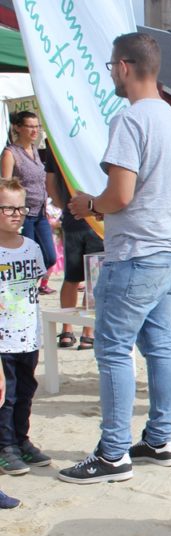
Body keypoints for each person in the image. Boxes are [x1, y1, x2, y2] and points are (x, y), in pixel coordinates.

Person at [61, 32, 171, 484]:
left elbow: (119, 195)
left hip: (136, 252)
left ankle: (113, 452)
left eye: (110, 68)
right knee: (159, 346)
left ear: (122, 66)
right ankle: (159, 439)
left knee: (114, 349)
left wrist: (88, 205)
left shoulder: (130, 120)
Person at [0, 177, 49, 481]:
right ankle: (5, 447)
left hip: (28, 336)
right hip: (3, 339)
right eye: (8, 208)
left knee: (27, 391)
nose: (16, 214)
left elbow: (35, 288)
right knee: (7, 395)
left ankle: (21, 439)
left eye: (21, 208)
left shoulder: (31, 248)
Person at [44, 148, 104, 349]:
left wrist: (67, 207)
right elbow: (50, 183)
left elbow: (50, 184)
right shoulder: (94, 135)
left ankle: (69, 330)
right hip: (97, 215)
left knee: (74, 277)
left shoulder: (58, 138)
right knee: (91, 277)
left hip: (78, 215)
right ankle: (86, 331)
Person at [1, 112, 56, 294]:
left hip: (40, 212)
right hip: (23, 215)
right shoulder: (11, 153)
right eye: (30, 126)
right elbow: (5, 186)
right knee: (27, 258)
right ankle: (24, 291)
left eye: (37, 126)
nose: (35, 130)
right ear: (17, 128)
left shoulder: (34, 150)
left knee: (50, 256)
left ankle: (29, 285)